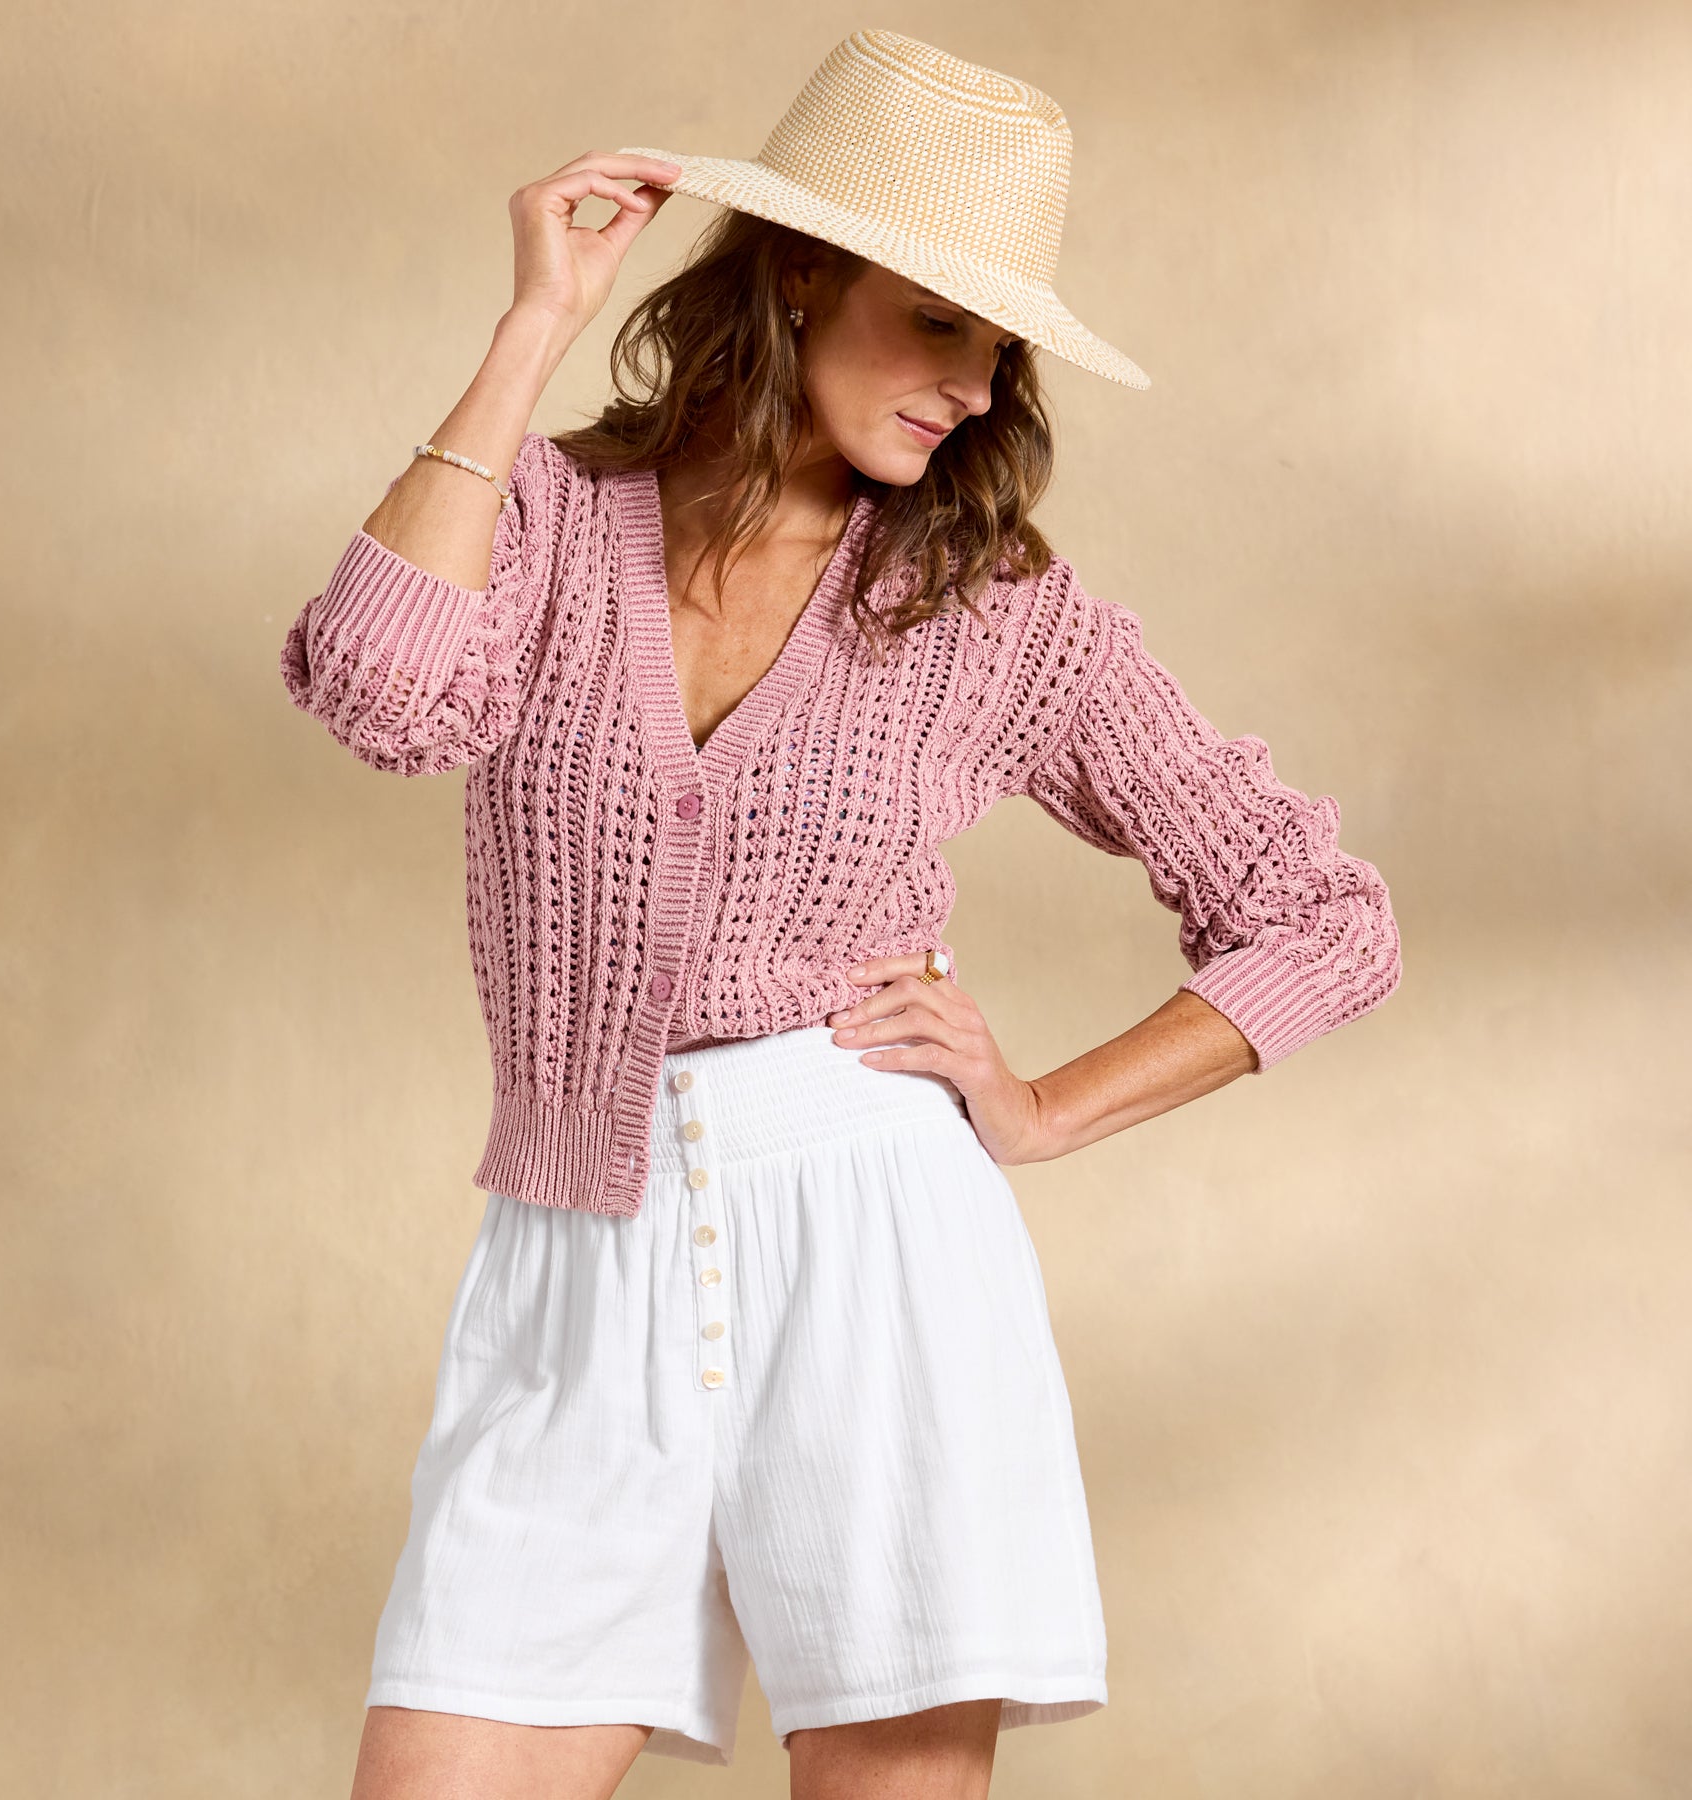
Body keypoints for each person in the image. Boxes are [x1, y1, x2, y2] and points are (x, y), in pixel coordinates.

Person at [279, 30, 1401, 1800]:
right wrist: (532, 329)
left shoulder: (993, 611)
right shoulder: (553, 523)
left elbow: (1325, 918)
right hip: (577, 1260)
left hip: (876, 1254)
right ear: (800, 275)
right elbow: (375, 685)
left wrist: (1040, 1111)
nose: (971, 385)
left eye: (998, 348)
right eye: (938, 321)